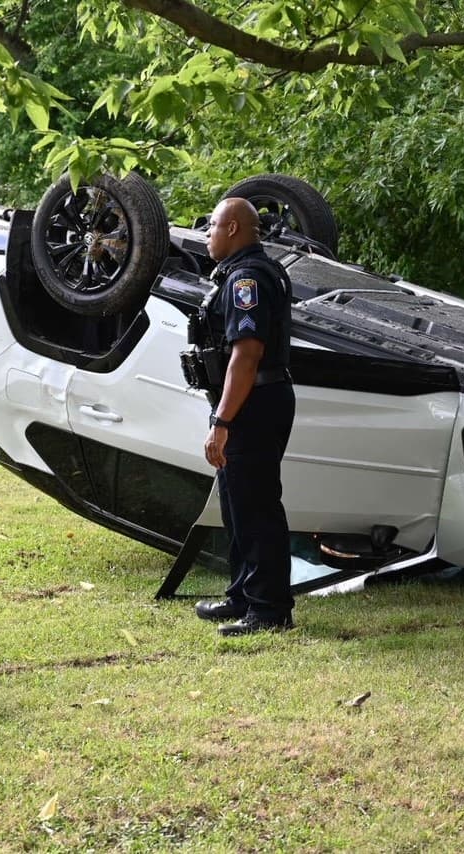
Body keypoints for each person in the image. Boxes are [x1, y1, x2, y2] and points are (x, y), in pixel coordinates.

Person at [194, 197, 296, 636]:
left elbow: (246, 356)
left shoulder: (247, 280)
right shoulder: (248, 271)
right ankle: (242, 596)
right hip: (254, 400)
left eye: (213, 226)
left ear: (233, 229)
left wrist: (221, 422)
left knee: (256, 508)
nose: (207, 234)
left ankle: (269, 611)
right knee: (238, 506)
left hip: (253, 402)